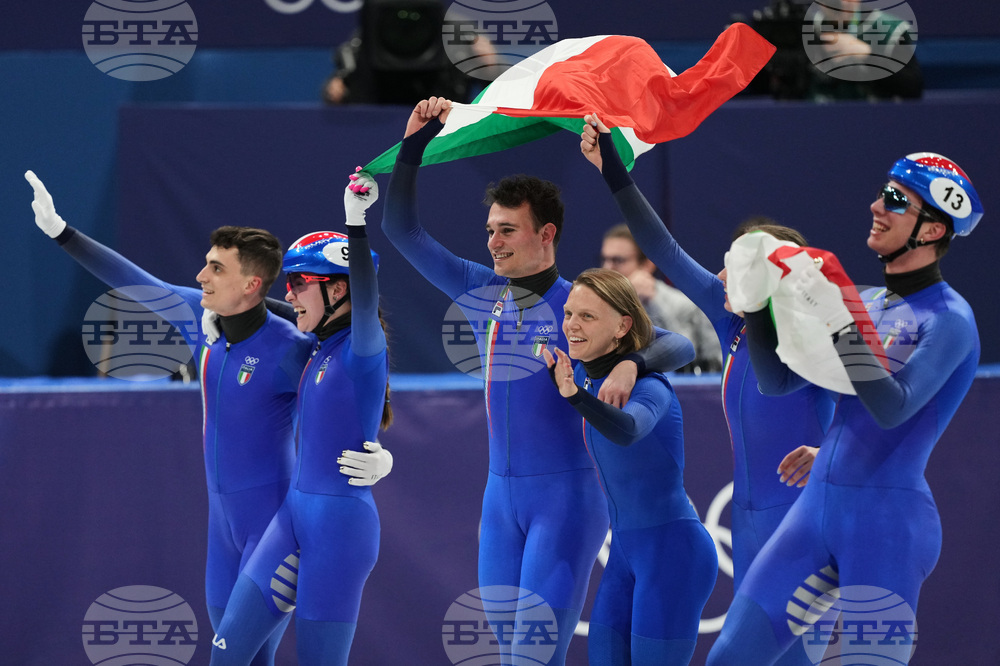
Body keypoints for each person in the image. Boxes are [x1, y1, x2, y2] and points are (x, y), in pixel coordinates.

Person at [380, 97, 695, 663]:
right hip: (500, 499)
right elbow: (400, 228)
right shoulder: (480, 290)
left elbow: (676, 342)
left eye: (507, 230)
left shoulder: (580, 304)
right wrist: (413, 145)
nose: (493, 242)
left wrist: (632, 361)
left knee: (532, 655)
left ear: (545, 233)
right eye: (490, 230)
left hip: (567, 499)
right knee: (509, 656)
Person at [706, 153, 983, 664]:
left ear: (933, 229)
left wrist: (840, 319)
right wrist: (758, 305)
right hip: (818, 510)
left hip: (886, 525)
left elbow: (892, 409)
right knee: (728, 659)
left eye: (897, 200)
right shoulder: (869, 301)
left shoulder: (950, 320)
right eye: (884, 192)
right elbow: (778, 380)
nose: (877, 205)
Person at [580, 116, 834, 666]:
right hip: (747, 519)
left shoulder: (818, 339)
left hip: (801, 519)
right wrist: (613, 171)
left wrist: (830, 452)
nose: (720, 273)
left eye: (738, 266)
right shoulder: (735, 324)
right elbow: (664, 249)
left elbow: (873, 418)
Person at [210, 179, 392, 665]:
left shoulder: (363, 349)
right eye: (288, 283)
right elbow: (263, 310)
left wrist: (356, 224)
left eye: (300, 284)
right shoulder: (313, 348)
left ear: (339, 289)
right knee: (226, 654)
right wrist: (224, 312)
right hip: (294, 514)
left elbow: (368, 300)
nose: (290, 294)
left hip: (340, 526)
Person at [544, 268, 718, 665]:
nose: (571, 325)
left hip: (674, 553)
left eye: (586, 316)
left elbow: (628, 429)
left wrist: (575, 396)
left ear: (623, 325)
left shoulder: (649, 386)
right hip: (625, 552)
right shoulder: (589, 370)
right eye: (569, 314)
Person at [601, 224, 722, 374]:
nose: (607, 268)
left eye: (618, 260)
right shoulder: (597, 303)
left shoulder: (683, 305)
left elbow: (686, 361)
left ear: (647, 264)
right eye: (605, 259)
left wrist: (652, 304)